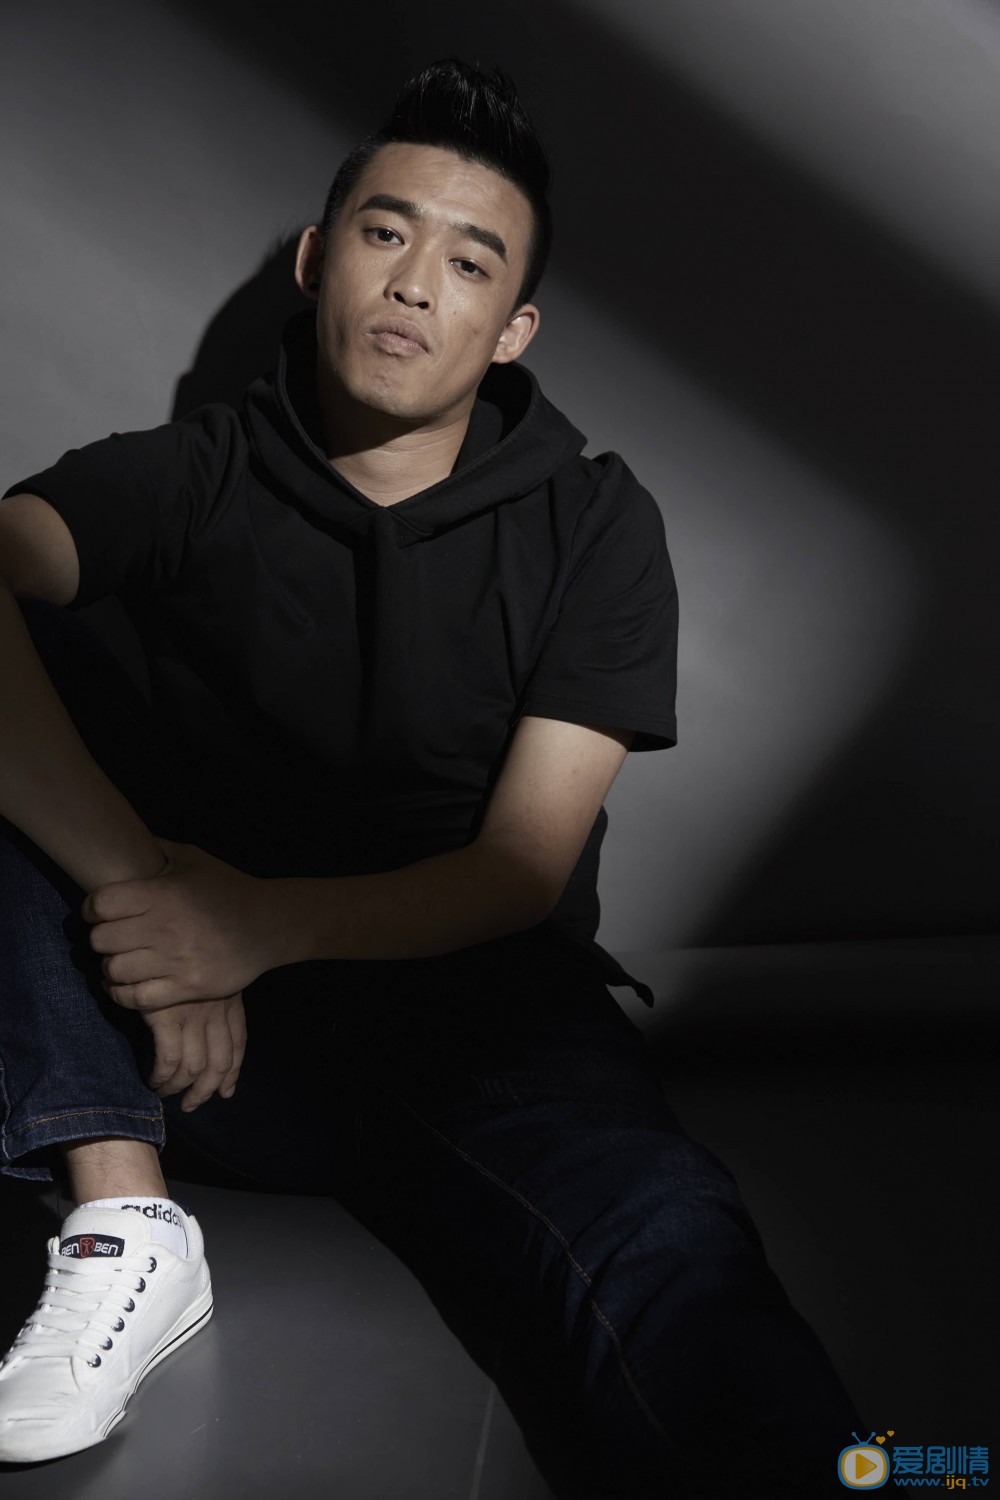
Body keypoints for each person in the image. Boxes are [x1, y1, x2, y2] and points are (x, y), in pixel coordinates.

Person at [0, 58, 862, 1497]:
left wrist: (250, 922)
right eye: (386, 234)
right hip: (190, 1045)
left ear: (511, 329)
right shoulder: (194, 472)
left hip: (477, 1033)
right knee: (29, 663)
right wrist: (154, 902)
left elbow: (518, 869)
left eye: (469, 262)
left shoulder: (594, 521)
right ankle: (123, 1221)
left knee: (669, 1242)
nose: (413, 284)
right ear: (316, 261)